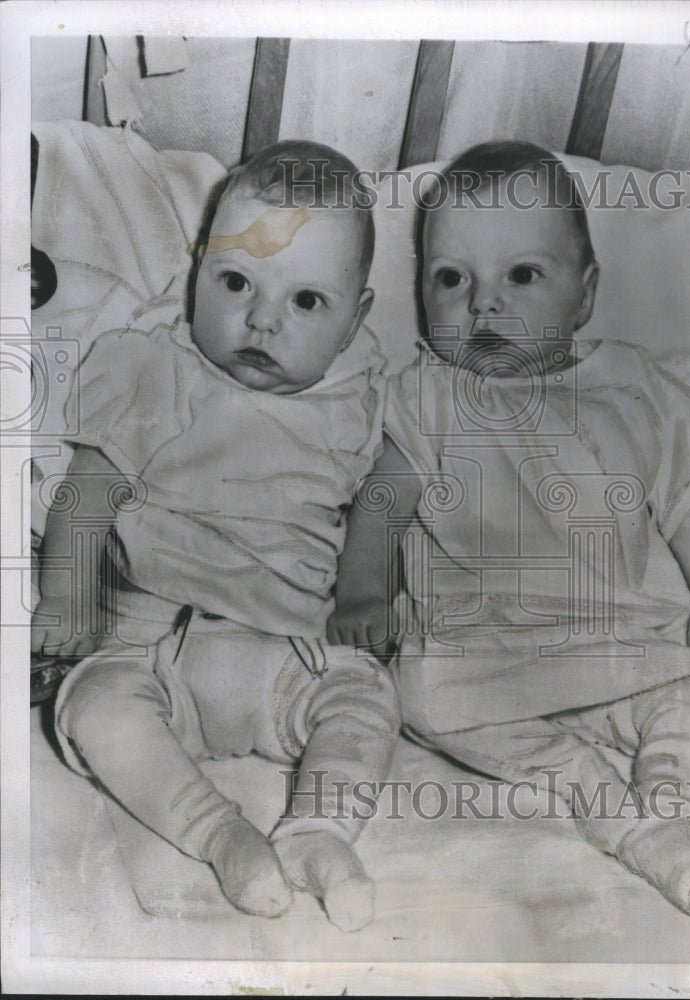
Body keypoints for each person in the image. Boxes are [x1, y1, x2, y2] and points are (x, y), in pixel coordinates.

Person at [328, 141, 690, 918]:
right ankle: (596, 795)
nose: (483, 305)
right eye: (452, 278)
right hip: (485, 653)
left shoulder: (635, 386)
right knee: (417, 695)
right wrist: (362, 593)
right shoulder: (428, 394)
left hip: (619, 644)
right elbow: (381, 503)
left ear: (585, 295)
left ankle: (670, 800)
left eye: (521, 275)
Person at [31, 141, 401, 933]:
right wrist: (67, 601)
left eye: (307, 301)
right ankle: (220, 834)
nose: (262, 318)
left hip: (292, 658)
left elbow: (382, 499)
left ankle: (318, 829)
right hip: (157, 649)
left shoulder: (364, 395)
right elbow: (87, 491)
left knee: (368, 697)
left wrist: (366, 592)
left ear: (356, 319)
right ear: (197, 270)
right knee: (94, 705)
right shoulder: (153, 366)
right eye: (235, 282)